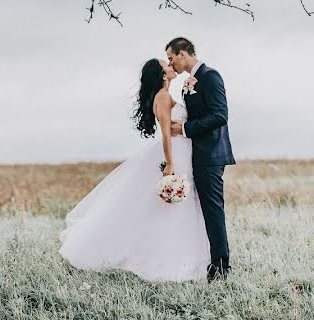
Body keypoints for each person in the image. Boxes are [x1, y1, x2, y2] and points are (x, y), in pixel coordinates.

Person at [58, 58, 211, 282]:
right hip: (175, 153)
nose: (171, 66)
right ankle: (164, 258)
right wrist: (170, 164)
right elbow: (166, 134)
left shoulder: (169, 94)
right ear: (161, 74)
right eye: (167, 65)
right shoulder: (163, 96)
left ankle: (182, 254)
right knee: (167, 209)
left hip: (184, 152)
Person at [165, 36, 236, 281]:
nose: (170, 62)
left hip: (211, 154)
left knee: (213, 210)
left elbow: (220, 115)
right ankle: (207, 261)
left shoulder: (210, 76)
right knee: (204, 210)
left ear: (183, 54)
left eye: (171, 57)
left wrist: (185, 129)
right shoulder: (189, 81)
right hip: (198, 154)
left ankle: (220, 268)